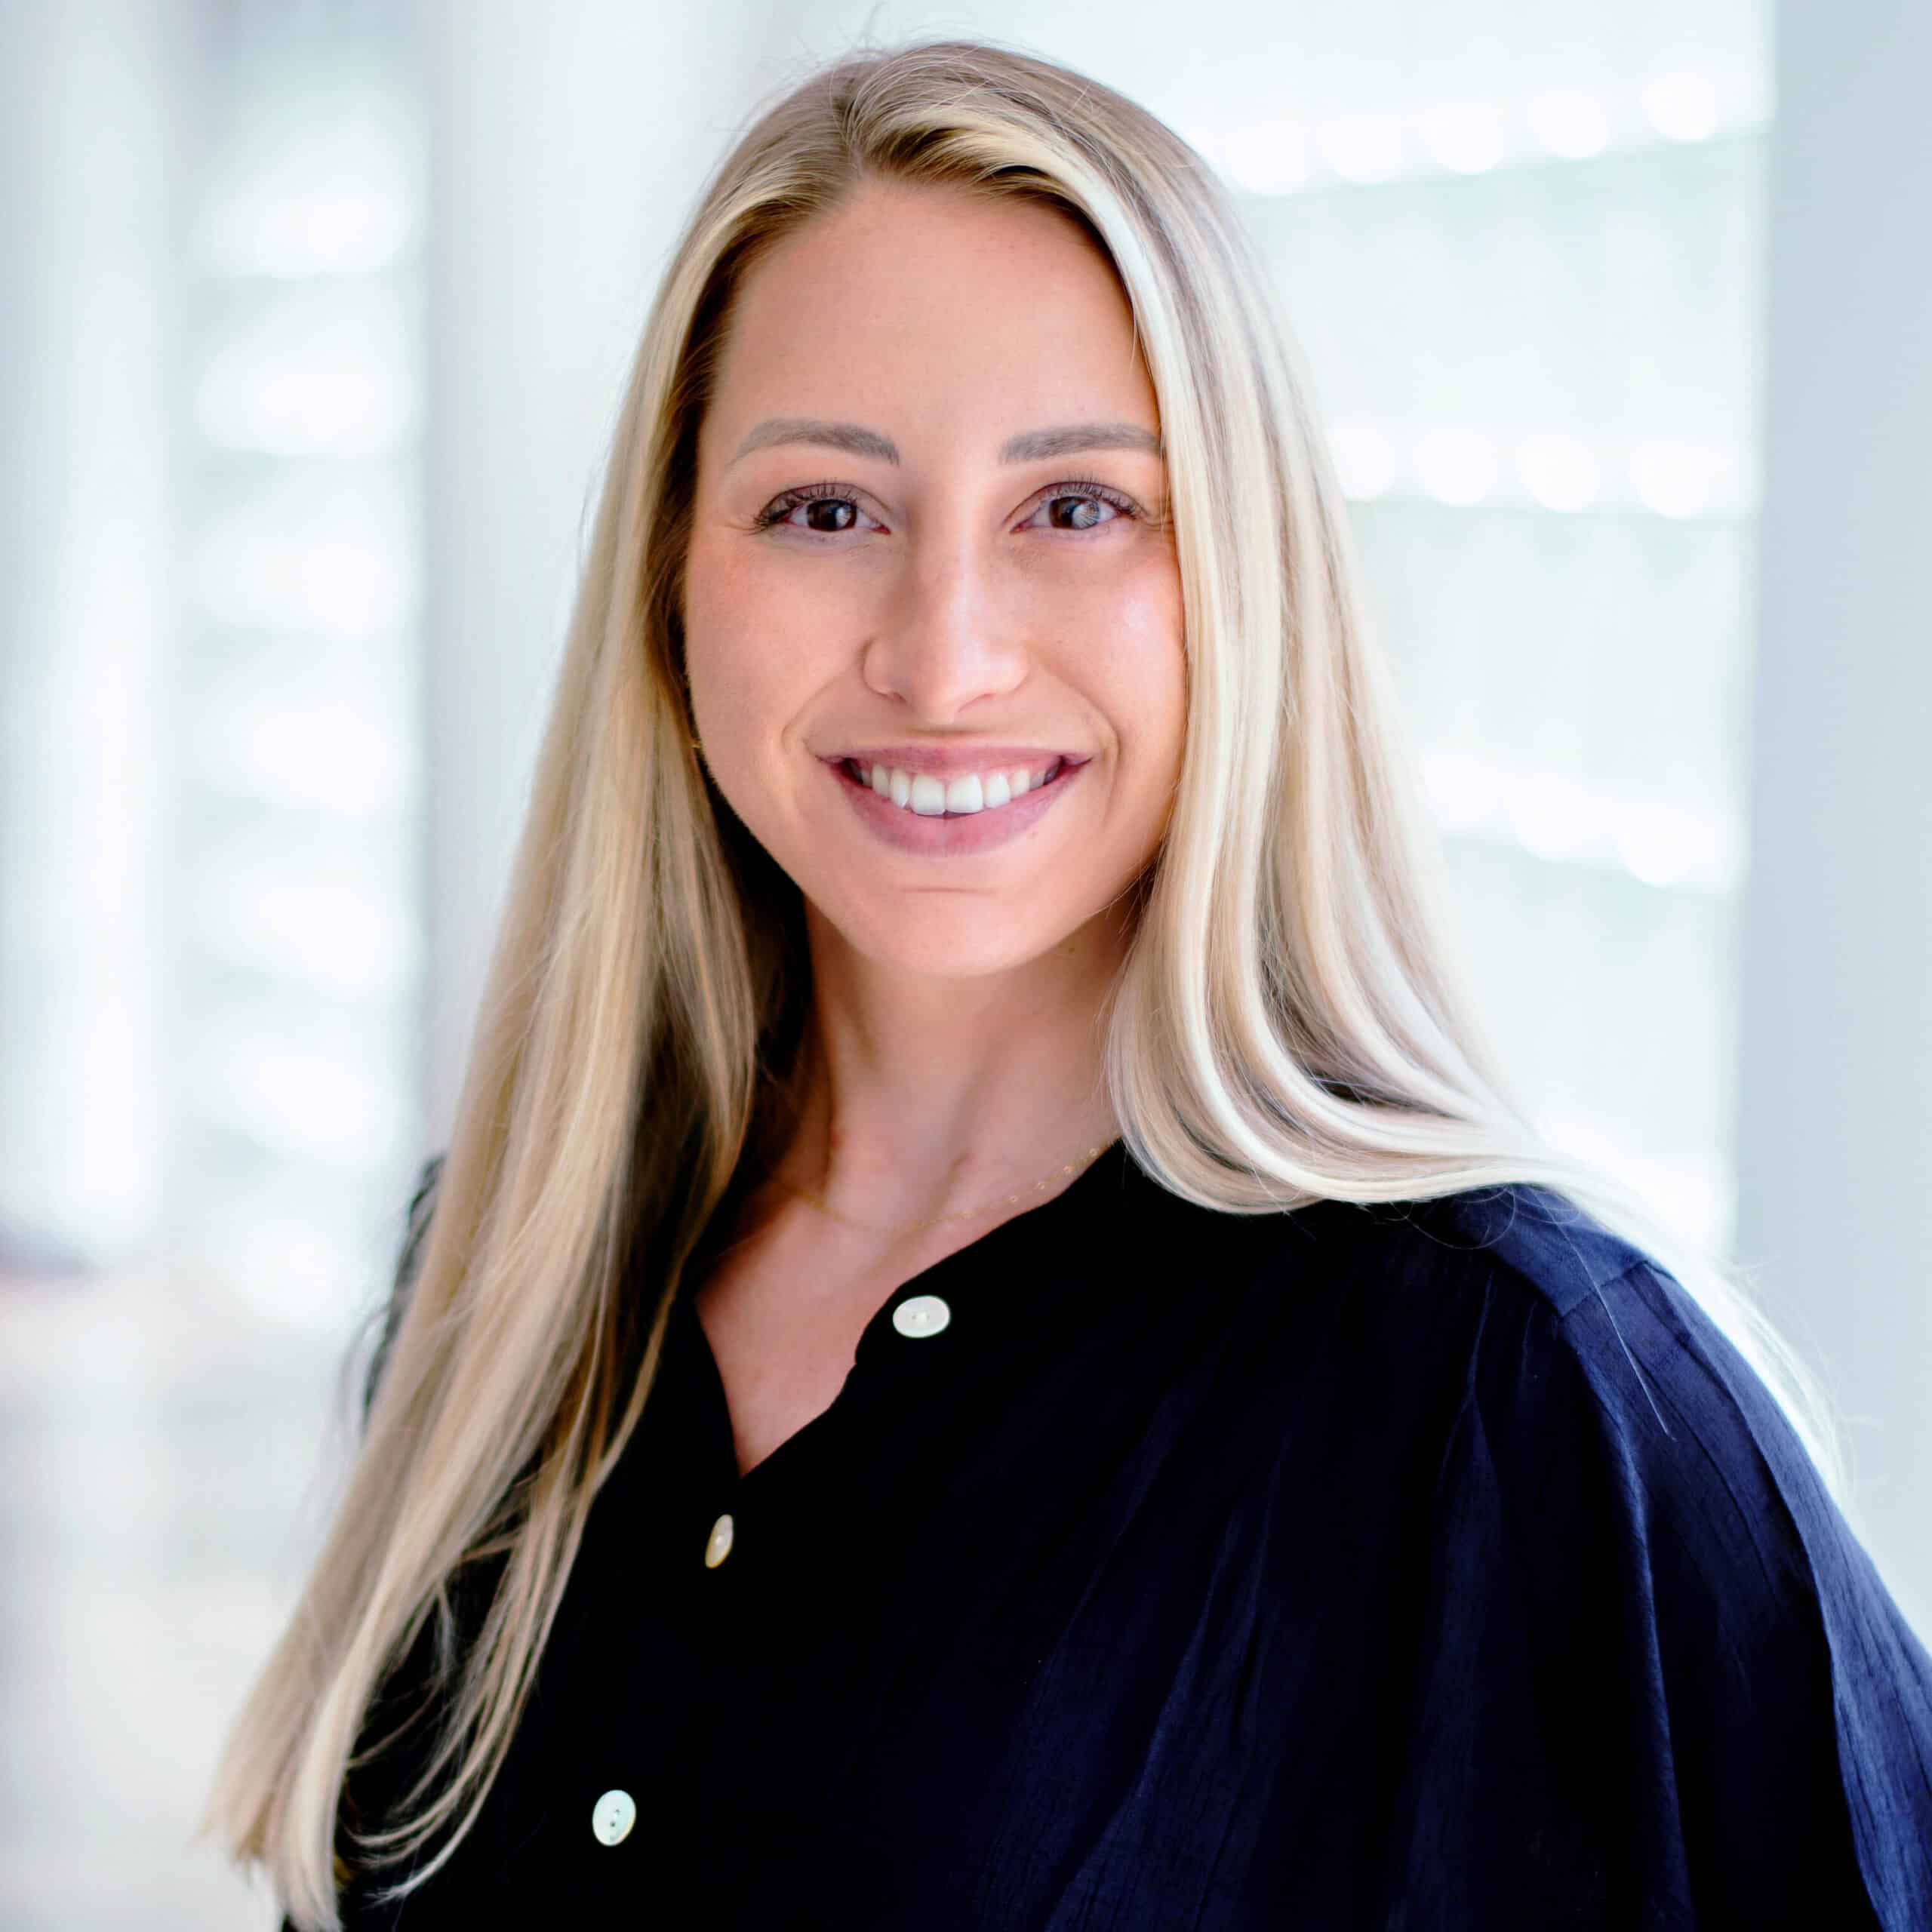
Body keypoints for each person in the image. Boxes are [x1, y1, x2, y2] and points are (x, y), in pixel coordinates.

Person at [204, 36, 1932, 1931]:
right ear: (669, 581)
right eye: (824, 510)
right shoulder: (504, 1269)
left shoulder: (1521, 1382)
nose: (941, 659)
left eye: (1078, 507)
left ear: (1238, 588)